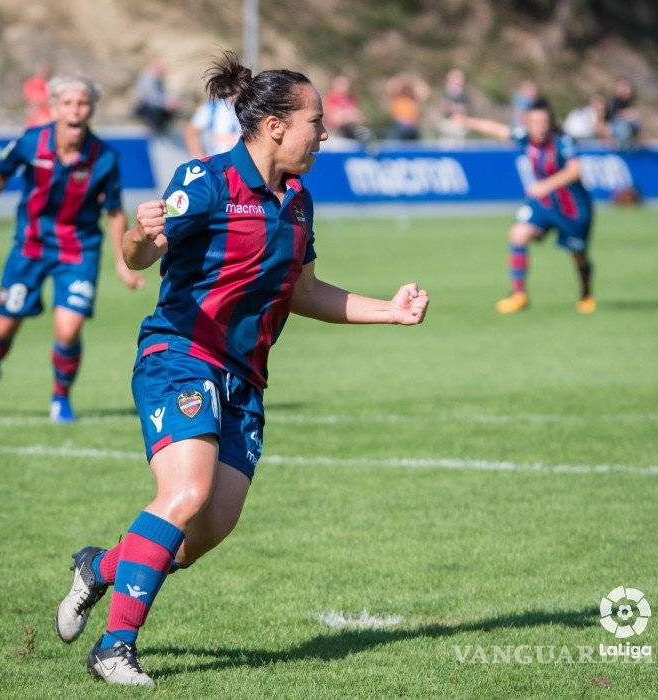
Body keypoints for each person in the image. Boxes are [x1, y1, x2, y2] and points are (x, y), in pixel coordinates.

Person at [54, 52, 429, 687]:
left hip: (244, 378)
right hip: (181, 354)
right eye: (316, 121)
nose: (325, 133)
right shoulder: (206, 180)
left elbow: (304, 292)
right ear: (276, 126)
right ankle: (114, 647)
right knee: (185, 494)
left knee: (207, 529)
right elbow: (141, 254)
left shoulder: (299, 201)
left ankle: (100, 568)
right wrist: (140, 234)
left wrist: (388, 312)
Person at [0, 75, 144, 422]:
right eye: (68, 103)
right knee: (4, 327)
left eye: (82, 103)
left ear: (92, 109)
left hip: (79, 250)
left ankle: (60, 398)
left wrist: (122, 263)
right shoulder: (31, 142)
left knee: (68, 329)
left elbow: (115, 211)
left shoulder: (104, 157)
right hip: (30, 246)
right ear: (54, 108)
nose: (75, 110)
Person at [456, 99, 595, 314]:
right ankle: (519, 295)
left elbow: (575, 170)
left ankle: (586, 293)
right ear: (527, 124)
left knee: (578, 254)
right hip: (543, 205)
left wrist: (545, 185)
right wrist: (466, 121)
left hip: (572, 209)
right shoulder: (524, 138)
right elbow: (498, 129)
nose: (540, 127)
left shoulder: (563, 142)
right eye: (535, 123)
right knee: (518, 234)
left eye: (544, 122)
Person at [133, 59, 179, 133]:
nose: (162, 72)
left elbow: (164, 95)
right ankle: (155, 129)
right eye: (160, 69)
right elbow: (150, 98)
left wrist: (171, 102)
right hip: (146, 109)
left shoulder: (159, 81)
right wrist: (165, 104)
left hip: (154, 108)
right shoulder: (147, 80)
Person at [323, 75, 372, 142]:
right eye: (341, 84)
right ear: (334, 85)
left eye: (346, 84)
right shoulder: (330, 99)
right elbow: (334, 119)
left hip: (352, 131)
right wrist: (348, 116)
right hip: (336, 133)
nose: (345, 86)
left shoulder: (351, 98)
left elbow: (360, 117)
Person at [605, 78, 640, 150]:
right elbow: (613, 114)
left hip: (622, 129)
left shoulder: (628, 101)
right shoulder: (615, 100)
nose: (627, 90)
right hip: (614, 128)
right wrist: (627, 113)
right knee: (623, 128)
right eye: (624, 87)